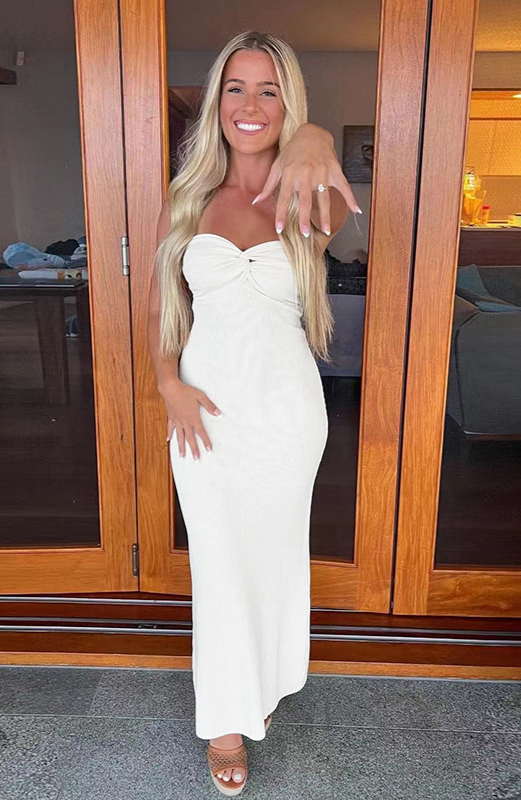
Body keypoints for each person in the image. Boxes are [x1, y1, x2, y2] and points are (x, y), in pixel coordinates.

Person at [147, 29, 360, 796]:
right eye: (234, 87)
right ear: (215, 102)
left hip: (284, 416)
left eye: (269, 90)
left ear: (287, 103)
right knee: (218, 563)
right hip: (203, 414)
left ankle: (259, 684)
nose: (249, 104)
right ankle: (225, 723)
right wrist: (166, 383)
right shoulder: (187, 199)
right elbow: (163, 312)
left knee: (271, 559)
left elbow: (326, 179)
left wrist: (314, 135)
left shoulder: (310, 197)